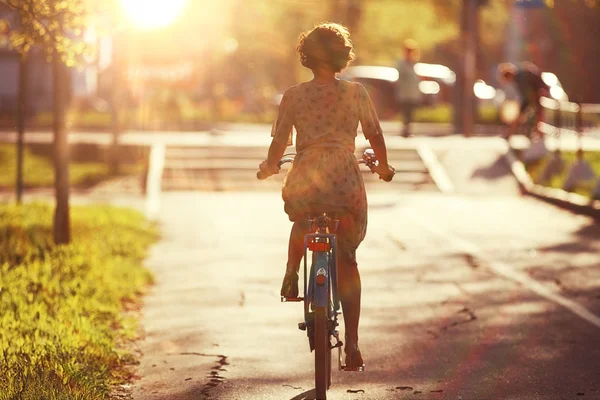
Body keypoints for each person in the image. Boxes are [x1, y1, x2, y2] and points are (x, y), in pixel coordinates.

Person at [258, 22, 395, 369]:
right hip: (344, 182)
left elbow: (280, 142)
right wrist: (383, 166)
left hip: (306, 177)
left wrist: (270, 165)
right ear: (342, 58)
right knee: (346, 257)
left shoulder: (294, 95)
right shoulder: (356, 93)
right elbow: (374, 135)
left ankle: (291, 273)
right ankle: (352, 344)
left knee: (304, 220)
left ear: (306, 57)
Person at [498, 62, 550, 139]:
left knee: (535, 114)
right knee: (535, 114)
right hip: (531, 96)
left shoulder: (520, 77)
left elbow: (529, 90)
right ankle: (537, 133)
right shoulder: (519, 76)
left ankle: (538, 133)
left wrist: (534, 98)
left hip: (534, 95)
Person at [395, 39, 421, 137]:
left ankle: (408, 130)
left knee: (410, 113)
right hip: (405, 93)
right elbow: (401, 78)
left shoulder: (413, 64)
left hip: (413, 93)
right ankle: (405, 131)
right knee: (406, 113)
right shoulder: (402, 64)